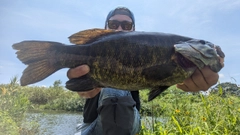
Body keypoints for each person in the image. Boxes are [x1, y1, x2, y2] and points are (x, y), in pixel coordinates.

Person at [69, 7, 223, 135]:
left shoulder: (149, 51)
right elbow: (77, 83)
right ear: (104, 29)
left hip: (128, 125)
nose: (119, 29)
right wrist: (82, 87)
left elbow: (168, 76)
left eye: (126, 26)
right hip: (88, 126)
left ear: (134, 30)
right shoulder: (88, 52)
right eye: (113, 24)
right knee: (111, 91)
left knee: (116, 92)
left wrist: (200, 73)